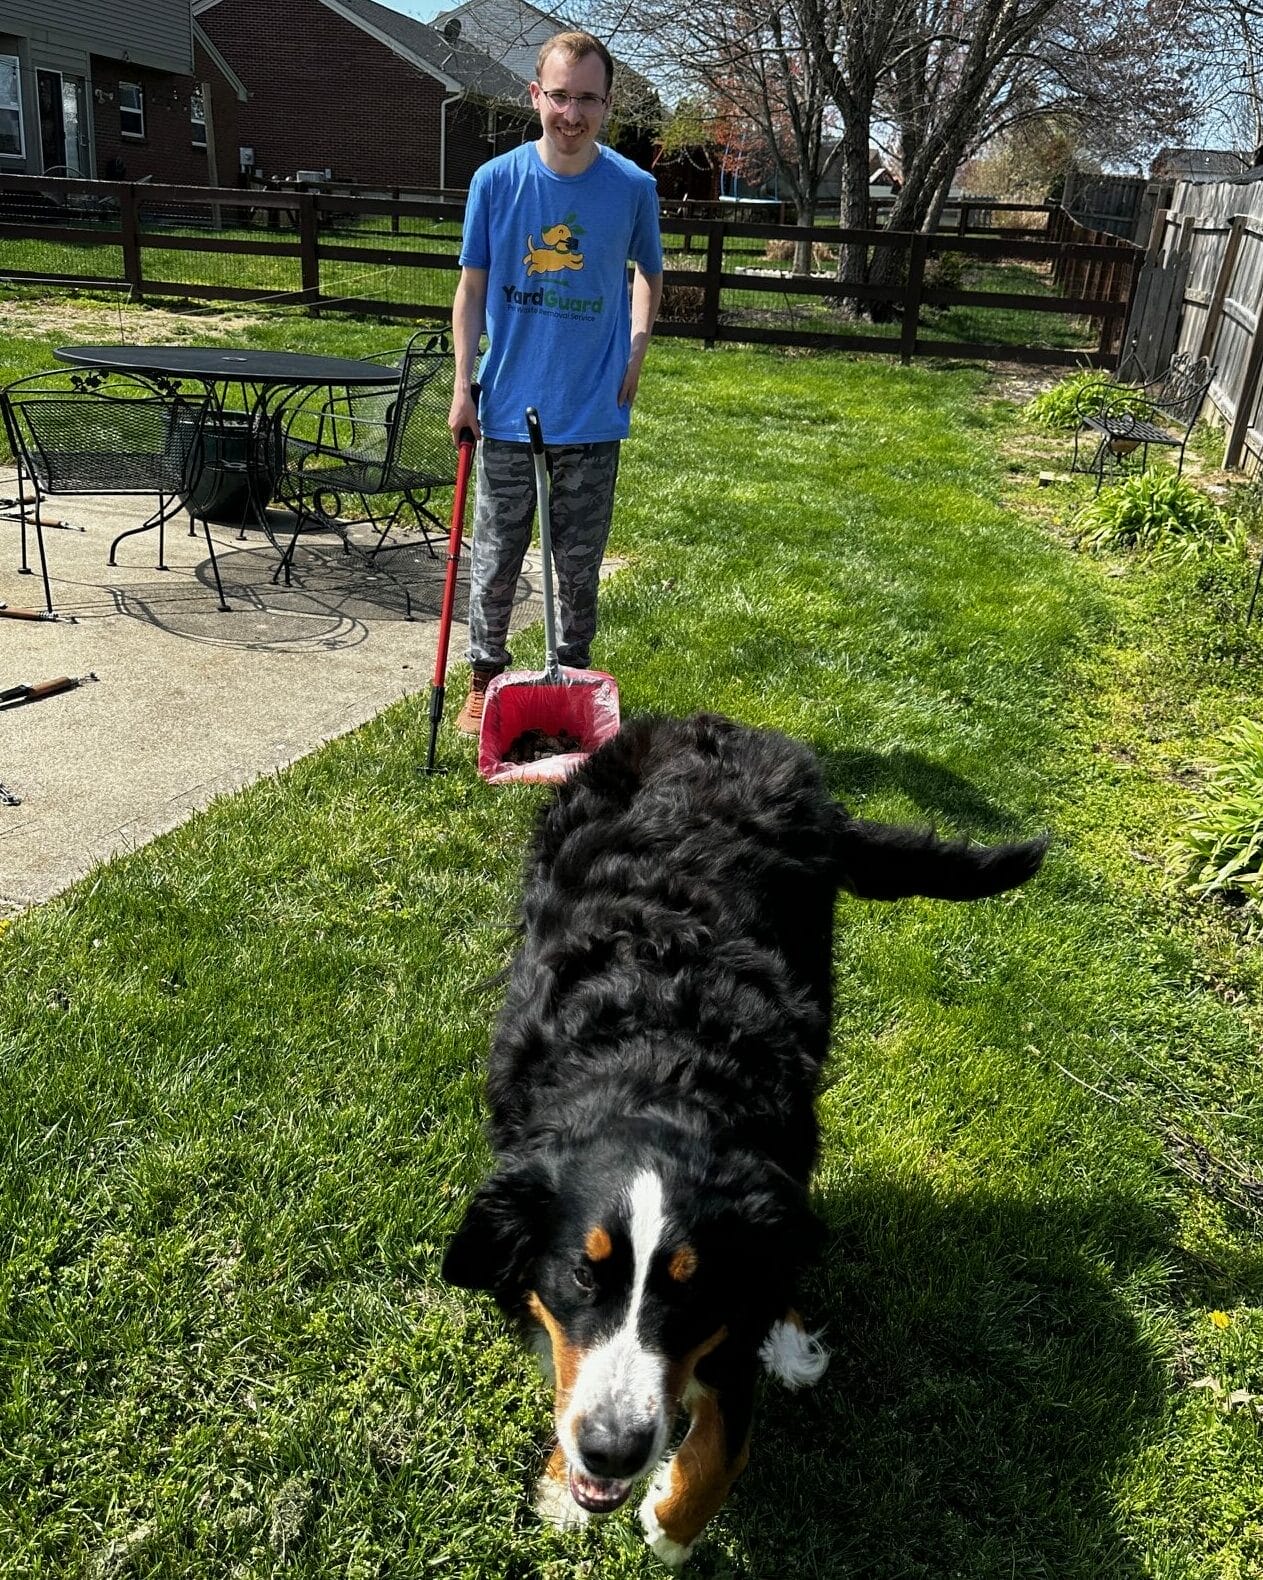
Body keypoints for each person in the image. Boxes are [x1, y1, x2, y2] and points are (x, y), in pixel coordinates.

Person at [447, 30, 664, 734]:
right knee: (497, 556)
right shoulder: (495, 182)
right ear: (535, 95)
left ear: (607, 106)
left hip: (591, 411)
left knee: (577, 562)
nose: (572, 114)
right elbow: (470, 288)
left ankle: (571, 676)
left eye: (588, 100)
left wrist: (636, 348)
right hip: (507, 404)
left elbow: (650, 275)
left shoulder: (632, 188)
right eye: (560, 96)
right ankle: (484, 676)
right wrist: (461, 385)